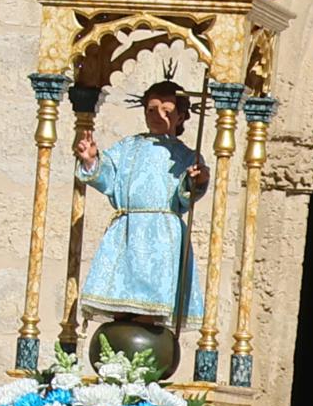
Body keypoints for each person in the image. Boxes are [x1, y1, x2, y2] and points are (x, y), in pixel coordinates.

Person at [69, 78, 211, 367]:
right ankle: (115, 363)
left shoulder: (184, 155)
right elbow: (107, 175)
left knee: (149, 312)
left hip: (162, 236)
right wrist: (91, 160)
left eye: (167, 111)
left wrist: (198, 179)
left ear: (181, 115)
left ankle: (144, 364)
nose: (158, 115)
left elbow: (188, 193)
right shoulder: (128, 147)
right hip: (127, 231)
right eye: (151, 109)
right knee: (121, 309)